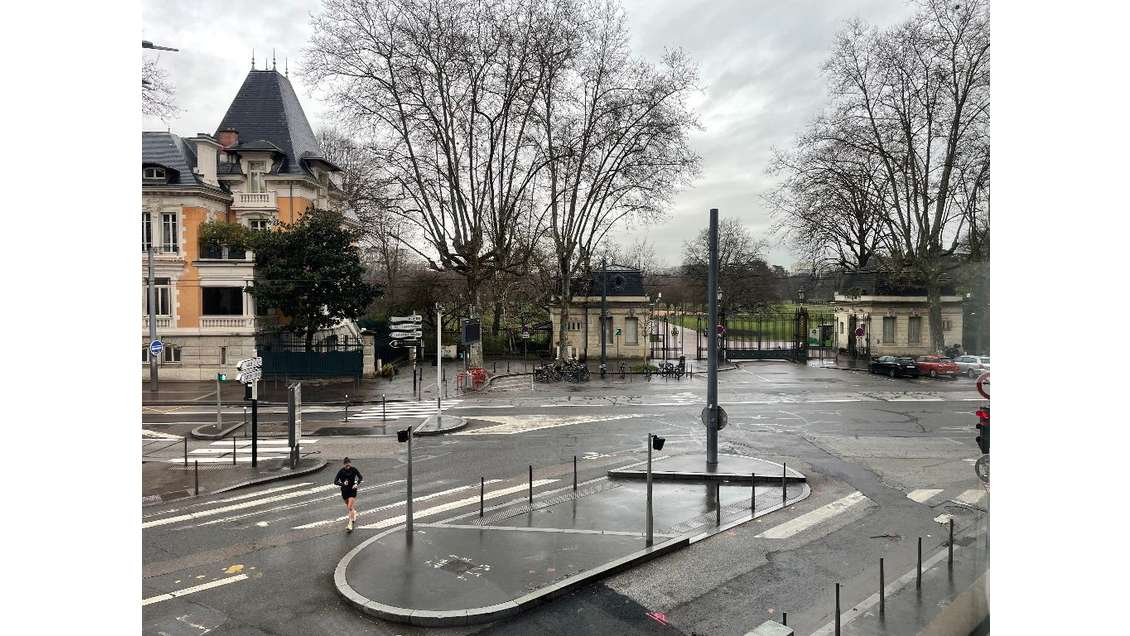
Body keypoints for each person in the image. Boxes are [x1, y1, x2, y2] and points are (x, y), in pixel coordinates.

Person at [334, 457, 363, 532]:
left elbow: (360, 477)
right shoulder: (341, 471)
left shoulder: (354, 469)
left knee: (349, 507)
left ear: (350, 463)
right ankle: (354, 512)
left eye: (349, 464)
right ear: (344, 465)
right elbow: (335, 481)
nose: (348, 466)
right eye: (346, 465)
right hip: (344, 491)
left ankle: (350, 524)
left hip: (352, 490)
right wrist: (342, 484)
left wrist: (356, 483)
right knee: (349, 507)